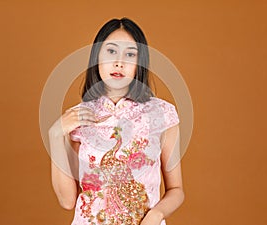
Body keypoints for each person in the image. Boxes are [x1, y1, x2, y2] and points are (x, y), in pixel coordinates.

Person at [48, 17, 184, 225]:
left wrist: (156, 215)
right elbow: (67, 201)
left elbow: (176, 190)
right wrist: (56, 134)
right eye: (111, 51)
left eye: (130, 54)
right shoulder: (77, 118)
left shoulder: (162, 114)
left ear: (139, 63)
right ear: (97, 57)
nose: (119, 62)